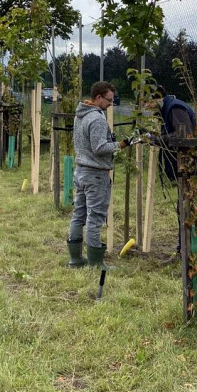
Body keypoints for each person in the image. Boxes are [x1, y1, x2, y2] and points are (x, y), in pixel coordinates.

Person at [67, 81, 131, 268]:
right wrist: (123, 144)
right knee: (95, 217)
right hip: (95, 174)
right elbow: (99, 148)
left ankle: (76, 259)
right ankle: (95, 263)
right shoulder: (96, 119)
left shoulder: (80, 114)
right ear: (98, 97)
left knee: (78, 214)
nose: (111, 103)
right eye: (109, 100)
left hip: (81, 171)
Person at [154, 90, 197, 256]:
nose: (147, 108)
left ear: (157, 97)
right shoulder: (167, 108)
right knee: (185, 206)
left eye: (147, 103)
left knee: (192, 206)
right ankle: (186, 248)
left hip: (192, 165)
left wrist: (159, 139)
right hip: (186, 165)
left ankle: (194, 251)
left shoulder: (175, 108)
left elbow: (183, 135)